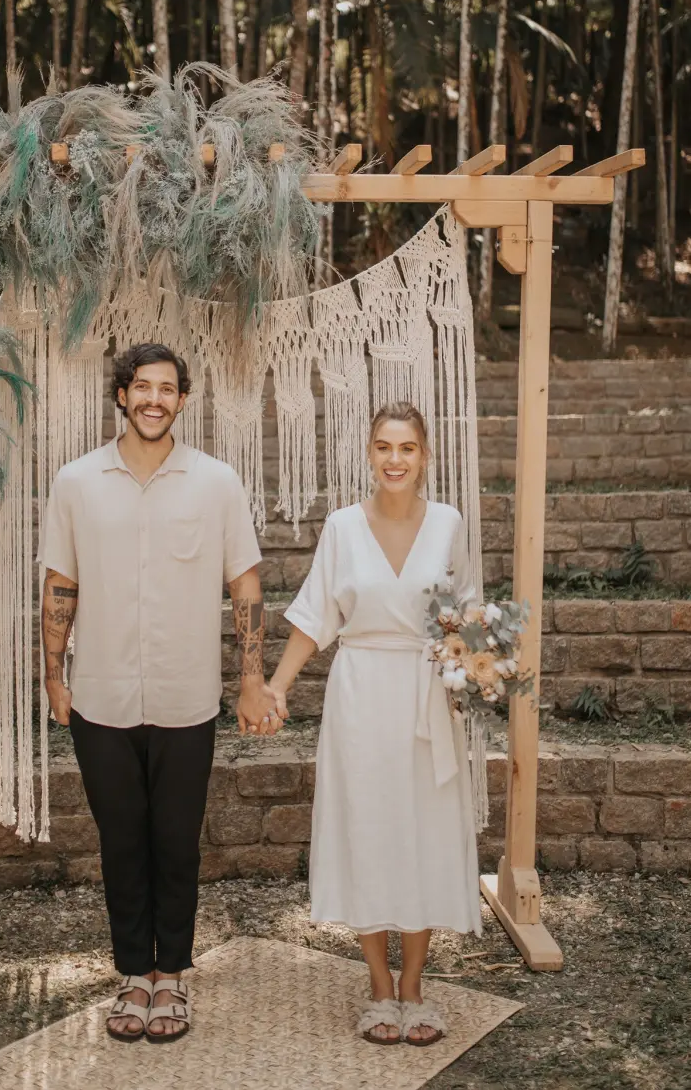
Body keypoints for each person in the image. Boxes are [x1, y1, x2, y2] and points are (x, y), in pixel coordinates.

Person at [38, 341, 282, 1043]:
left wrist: (252, 675)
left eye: (166, 389)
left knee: (176, 842)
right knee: (122, 841)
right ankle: (132, 978)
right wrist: (54, 675)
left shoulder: (216, 482)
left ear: (182, 399)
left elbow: (245, 583)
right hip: (100, 697)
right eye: (140, 387)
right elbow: (61, 583)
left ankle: (171, 976)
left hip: (187, 696)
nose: (152, 399)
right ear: (121, 395)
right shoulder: (77, 482)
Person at [268, 401, 481, 1047]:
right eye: (384, 447)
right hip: (359, 694)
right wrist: (276, 685)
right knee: (367, 829)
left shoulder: (448, 524)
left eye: (407, 448)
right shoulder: (340, 527)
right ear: (369, 453)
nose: (395, 459)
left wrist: (478, 659)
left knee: (422, 832)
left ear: (425, 458)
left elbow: (468, 613)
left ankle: (414, 987)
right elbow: (313, 617)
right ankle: (378, 989)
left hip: (425, 698)